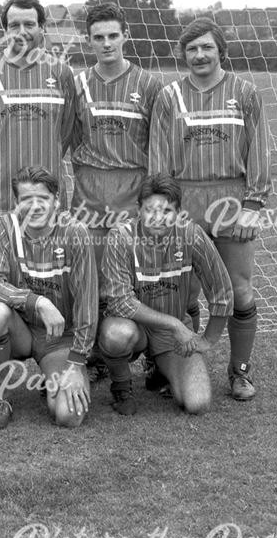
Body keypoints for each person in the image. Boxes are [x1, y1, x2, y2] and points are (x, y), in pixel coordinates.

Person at [149, 19, 271, 401]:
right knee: (181, 292)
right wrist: (163, 207)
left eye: (206, 48)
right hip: (184, 202)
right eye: (192, 49)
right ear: (183, 55)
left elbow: (260, 151)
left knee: (239, 291)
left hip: (232, 199)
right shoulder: (169, 97)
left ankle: (240, 372)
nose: (199, 55)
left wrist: (253, 203)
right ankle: (177, 365)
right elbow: (158, 157)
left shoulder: (245, 93)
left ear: (221, 50)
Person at [97, 174, 233, 415]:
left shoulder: (191, 235)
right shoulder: (121, 237)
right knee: (116, 334)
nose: (158, 218)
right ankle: (121, 386)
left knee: (198, 403)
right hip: (134, 327)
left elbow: (222, 291)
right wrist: (175, 325)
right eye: (151, 210)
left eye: (167, 211)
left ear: (179, 212)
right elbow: (119, 302)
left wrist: (207, 340)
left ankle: (161, 368)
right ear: (139, 209)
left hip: (170, 335)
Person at [0, 166, 95, 430]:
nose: (35, 206)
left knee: (68, 416)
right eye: (27, 199)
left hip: (59, 339)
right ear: (16, 203)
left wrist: (76, 364)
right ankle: (0, 400)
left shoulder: (75, 233)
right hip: (20, 330)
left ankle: (54, 379)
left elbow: (88, 304)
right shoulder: (5, 227)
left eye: (43, 198)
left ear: (57, 200)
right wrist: (37, 301)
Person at [0, 0, 78, 234]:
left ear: (42, 28)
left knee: (52, 271)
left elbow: (65, 133)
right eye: (14, 25)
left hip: (49, 201)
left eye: (29, 24)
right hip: (0, 201)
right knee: (1, 270)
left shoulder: (62, 73)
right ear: (5, 30)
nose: (21, 31)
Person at [70, 3, 163, 255]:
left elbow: (157, 144)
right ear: (88, 40)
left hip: (133, 187)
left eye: (113, 36)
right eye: (98, 37)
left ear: (126, 36)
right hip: (90, 188)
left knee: (132, 270)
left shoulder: (149, 85)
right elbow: (76, 138)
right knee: (91, 271)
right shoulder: (77, 85)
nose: (107, 43)